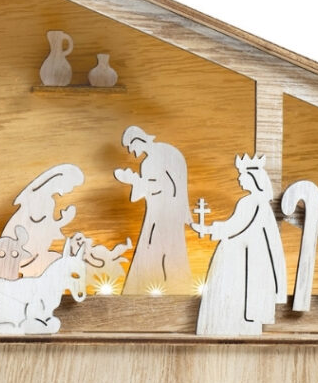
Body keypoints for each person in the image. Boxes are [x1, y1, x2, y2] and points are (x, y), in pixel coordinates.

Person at [191, 153, 286, 335]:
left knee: (234, 294)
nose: (239, 180)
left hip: (242, 260)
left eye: (242, 175)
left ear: (253, 178)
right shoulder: (256, 202)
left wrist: (208, 229)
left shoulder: (252, 202)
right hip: (242, 256)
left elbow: (234, 227)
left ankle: (229, 326)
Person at [114, 125, 191, 294]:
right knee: (155, 247)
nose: (131, 151)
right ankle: (155, 286)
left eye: (131, 146)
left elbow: (161, 186)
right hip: (161, 212)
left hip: (164, 214)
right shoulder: (158, 155)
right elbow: (148, 190)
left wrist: (134, 180)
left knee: (158, 247)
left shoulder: (159, 157)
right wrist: (136, 182)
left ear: (138, 140)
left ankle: (164, 287)